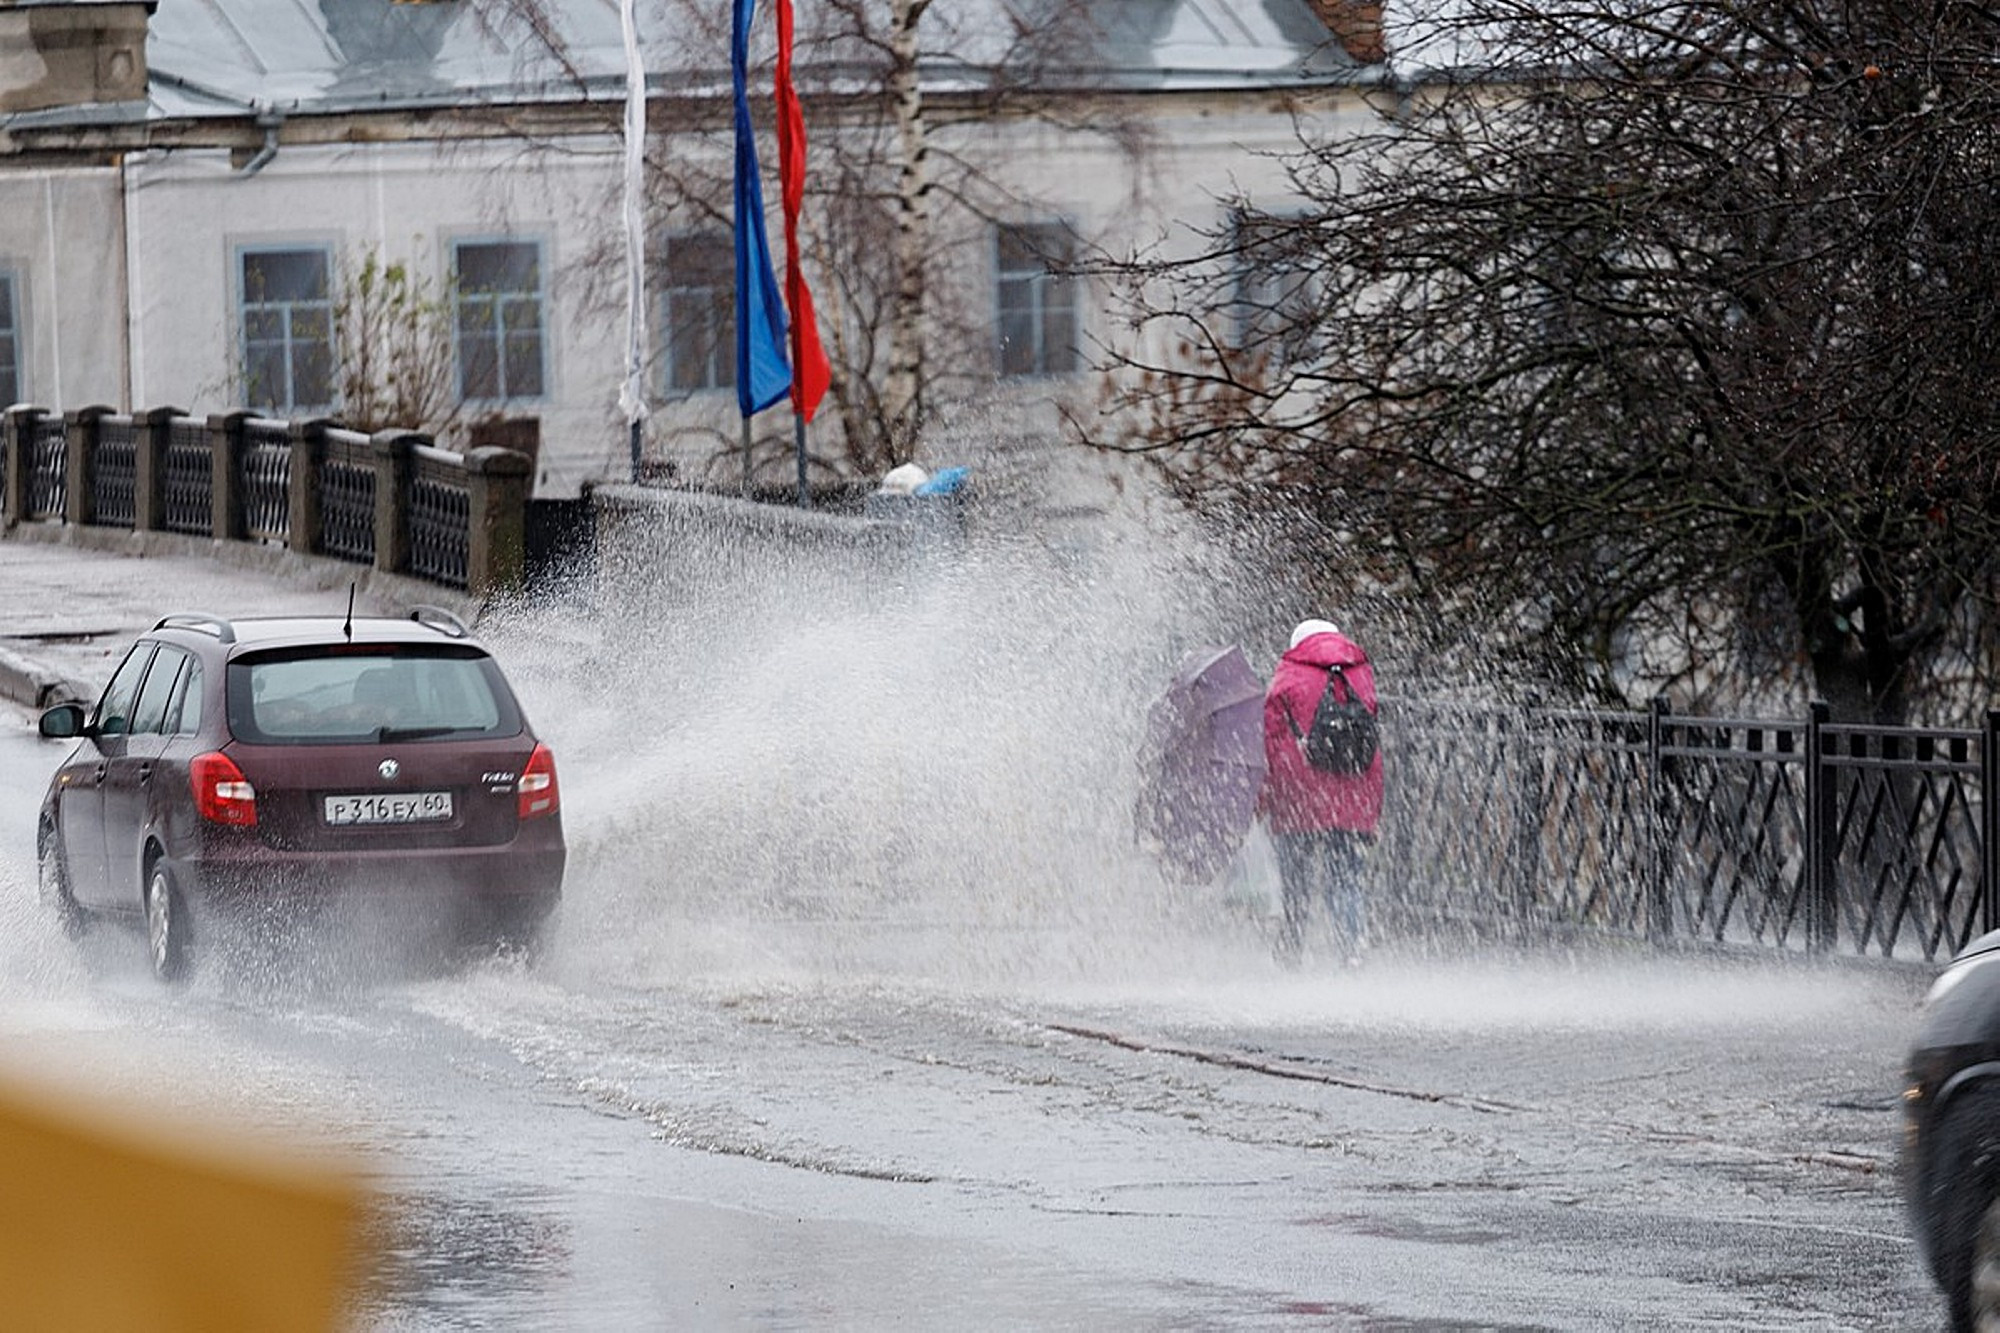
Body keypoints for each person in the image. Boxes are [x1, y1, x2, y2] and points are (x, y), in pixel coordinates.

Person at [1258, 618, 1383, 965]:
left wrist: (1263, 799)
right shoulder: (1360, 672)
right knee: (1346, 878)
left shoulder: (1289, 674)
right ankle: (1351, 948)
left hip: (1298, 795)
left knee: (1296, 880)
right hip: (1352, 796)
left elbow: (1269, 743)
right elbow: (1372, 747)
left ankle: (1291, 950)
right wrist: (1373, 810)